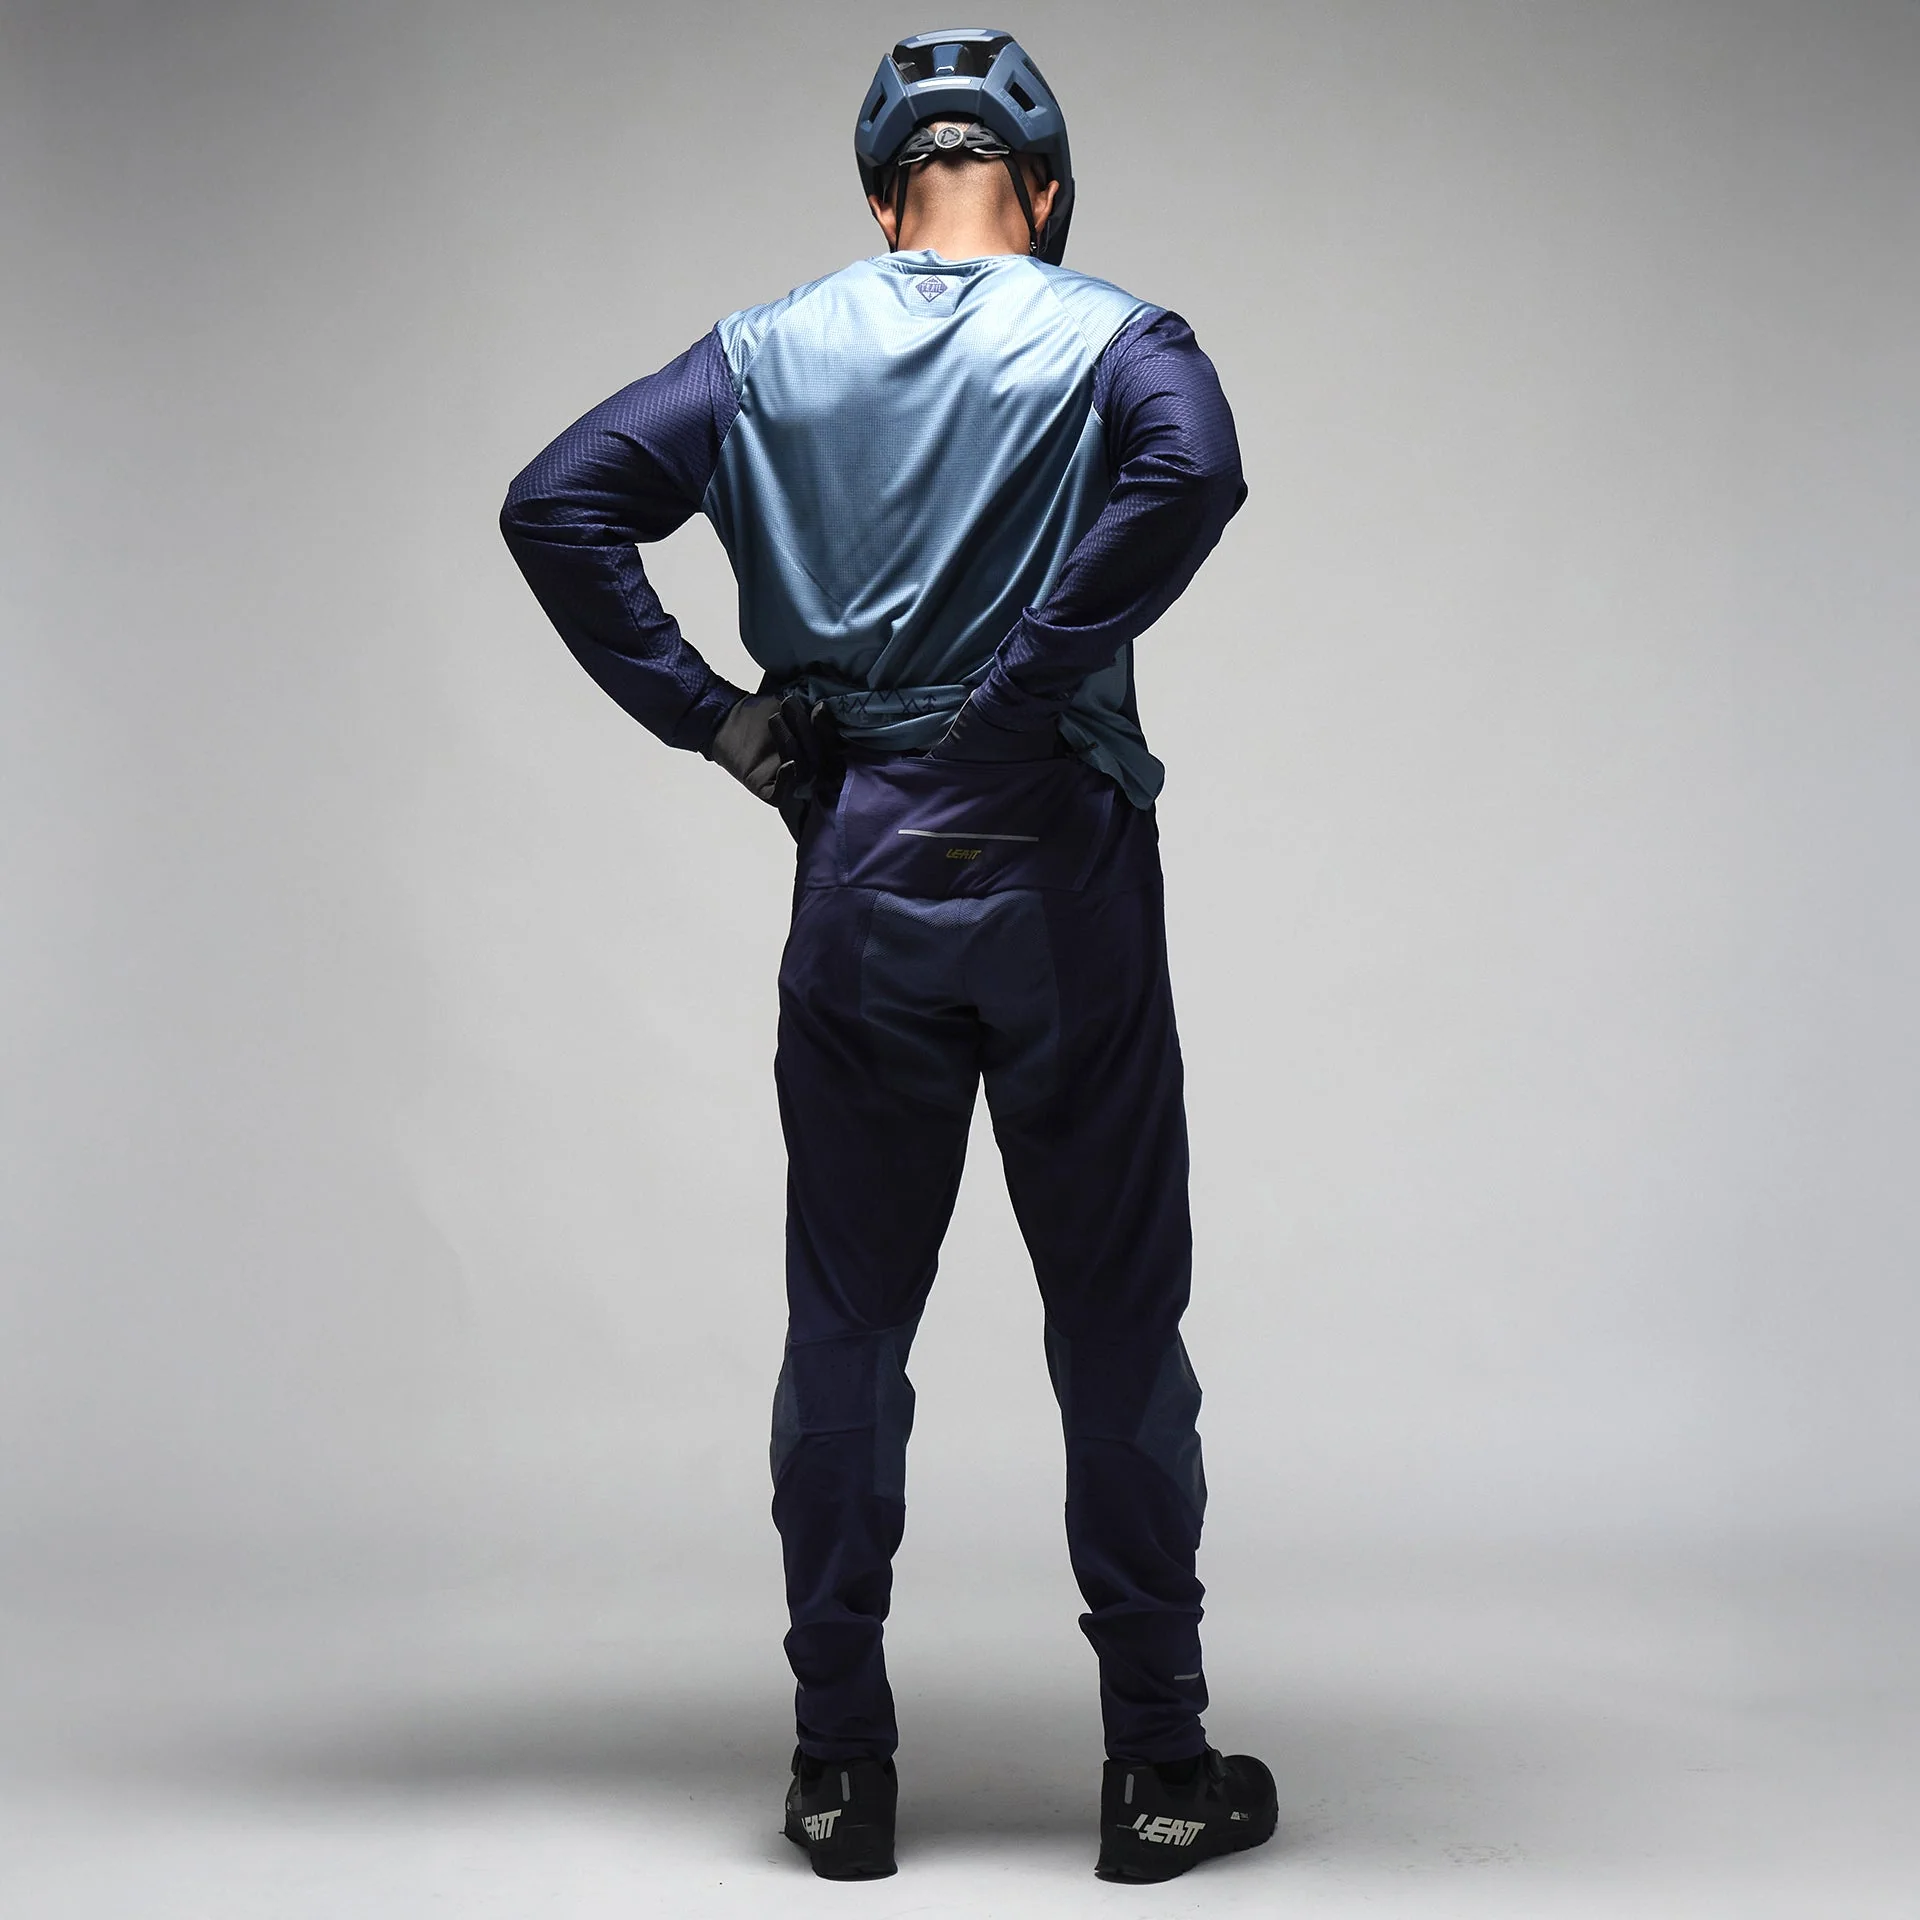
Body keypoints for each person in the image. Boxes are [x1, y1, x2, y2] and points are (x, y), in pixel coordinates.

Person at [499, 27, 1274, 1885]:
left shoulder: (764, 352)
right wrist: (1025, 690)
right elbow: (1198, 473)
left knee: (848, 1321)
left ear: (879, 199)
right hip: (1062, 872)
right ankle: (1159, 1772)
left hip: (862, 866)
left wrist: (718, 720)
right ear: (1047, 190)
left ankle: (840, 1773)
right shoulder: (1120, 340)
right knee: (1116, 1323)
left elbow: (557, 501)